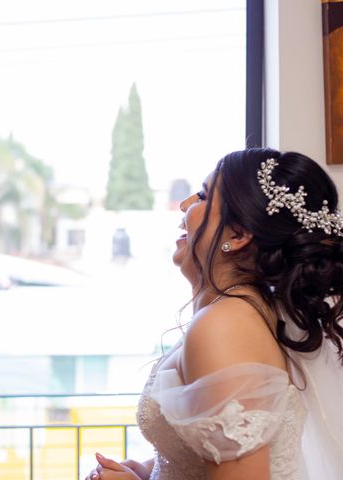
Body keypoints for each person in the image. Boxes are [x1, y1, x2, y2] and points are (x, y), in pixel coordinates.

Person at [86, 148, 343, 480]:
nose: (184, 205)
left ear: (237, 236)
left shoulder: (225, 326)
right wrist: (150, 470)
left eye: (204, 196)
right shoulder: (239, 314)